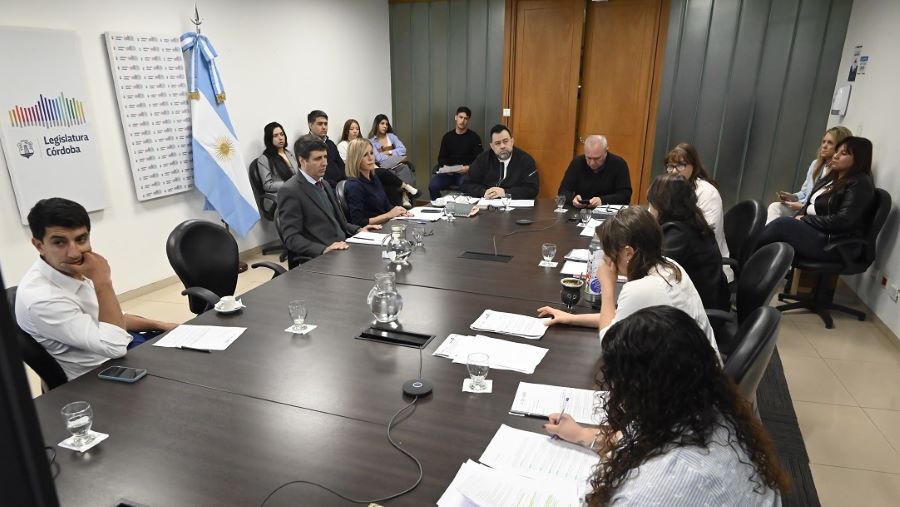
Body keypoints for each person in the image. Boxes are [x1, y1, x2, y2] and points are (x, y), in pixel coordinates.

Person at [544, 306, 789, 506]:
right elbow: (635, 436)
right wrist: (583, 435)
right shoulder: (704, 406)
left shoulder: (659, 489)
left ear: (641, 390)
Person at [15, 198, 176, 380]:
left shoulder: (70, 267)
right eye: (60, 243)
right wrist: (103, 283)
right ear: (39, 245)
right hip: (101, 374)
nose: (74, 253)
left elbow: (116, 319)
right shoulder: (41, 299)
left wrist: (160, 325)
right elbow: (114, 347)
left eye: (81, 239)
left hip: (123, 347)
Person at [537, 206, 718, 357]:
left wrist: (606, 287)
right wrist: (571, 319)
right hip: (701, 370)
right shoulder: (669, 265)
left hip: (687, 386)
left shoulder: (643, 288)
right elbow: (620, 318)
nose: (606, 260)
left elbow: (609, 344)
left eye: (608, 253)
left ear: (628, 252)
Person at [756, 136, 875, 262]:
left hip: (834, 243)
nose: (836, 156)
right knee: (774, 228)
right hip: (819, 233)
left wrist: (805, 219)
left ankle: (742, 262)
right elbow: (815, 205)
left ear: (858, 159)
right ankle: (747, 263)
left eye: (843, 153)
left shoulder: (860, 184)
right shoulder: (832, 178)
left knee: (783, 224)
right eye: (837, 151)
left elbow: (842, 221)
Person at [276, 139, 381, 263]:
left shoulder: (324, 183)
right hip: (323, 257)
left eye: (325, 157)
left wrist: (358, 229)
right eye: (318, 158)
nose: (324, 162)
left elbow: (339, 222)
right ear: (302, 161)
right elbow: (291, 238)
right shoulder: (290, 190)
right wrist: (324, 249)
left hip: (344, 247)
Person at [647, 174, 729, 311]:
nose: (650, 208)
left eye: (651, 203)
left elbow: (653, 272)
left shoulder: (678, 233)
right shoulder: (691, 220)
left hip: (697, 315)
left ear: (663, 204)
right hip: (707, 302)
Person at [664, 143, 732, 281]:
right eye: (670, 166)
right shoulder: (668, 188)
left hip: (702, 266)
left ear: (693, 166)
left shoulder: (707, 192)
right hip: (677, 254)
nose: (674, 171)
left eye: (680, 165)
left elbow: (704, 232)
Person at [766, 126, 852, 224]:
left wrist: (802, 207)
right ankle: (767, 236)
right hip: (802, 207)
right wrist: (792, 197)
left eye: (830, 143)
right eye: (823, 142)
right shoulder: (815, 164)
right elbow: (804, 193)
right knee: (775, 207)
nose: (824, 146)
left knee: (783, 221)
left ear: (840, 147)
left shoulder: (840, 172)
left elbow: (828, 206)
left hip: (814, 213)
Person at [344, 138, 411, 226]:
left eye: (371, 153)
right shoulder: (354, 185)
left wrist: (398, 211)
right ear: (356, 159)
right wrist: (388, 215)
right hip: (372, 231)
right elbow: (358, 222)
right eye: (365, 155)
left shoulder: (374, 177)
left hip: (385, 224)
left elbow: (386, 206)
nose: (370, 158)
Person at [461, 124, 539, 199]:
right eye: (497, 143)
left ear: (512, 141)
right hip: (488, 204)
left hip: (515, 205)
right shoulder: (482, 159)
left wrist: (505, 192)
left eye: (505, 141)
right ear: (492, 146)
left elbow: (532, 189)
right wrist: (483, 192)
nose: (502, 146)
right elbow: (466, 184)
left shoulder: (525, 160)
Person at [558, 135, 632, 207]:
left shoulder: (619, 164)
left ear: (606, 151)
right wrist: (573, 200)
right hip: (580, 210)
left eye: (597, 158)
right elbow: (563, 191)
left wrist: (602, 200)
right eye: (588, 158)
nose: (592, 163)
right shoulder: (577, 162)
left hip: (608, 212)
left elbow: (625, 196)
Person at [428, 106, 483, 199]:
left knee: (467, 187)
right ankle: (438, 207)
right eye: (461, 117)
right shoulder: (447, 137)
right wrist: (446, 167)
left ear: (468, 120)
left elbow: (479, 160)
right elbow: (441, 157)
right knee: (432, 186)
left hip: (465, 172)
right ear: (456, 117)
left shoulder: (474, 137)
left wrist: (468, 168)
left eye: (466, 118)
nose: (462, 121)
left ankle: (462, 209)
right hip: (448, 172)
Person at [299, 110, 346, 188]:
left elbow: (341, 166)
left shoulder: (330, 143)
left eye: (326, 124)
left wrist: (345, 182)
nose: (324, 127)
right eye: (320, 124)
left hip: (339, 185)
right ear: (310, 125)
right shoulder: (305, 145)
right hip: (324, 187)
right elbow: (311, 175)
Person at [256, 122, 299, 193]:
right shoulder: (264, 159)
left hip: (296, 190)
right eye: (275, 136)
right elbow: (267, 185)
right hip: (280, 194)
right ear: (269, 139)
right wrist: (289, 184)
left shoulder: (289, 153)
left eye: (282, 134)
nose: (280, 138)